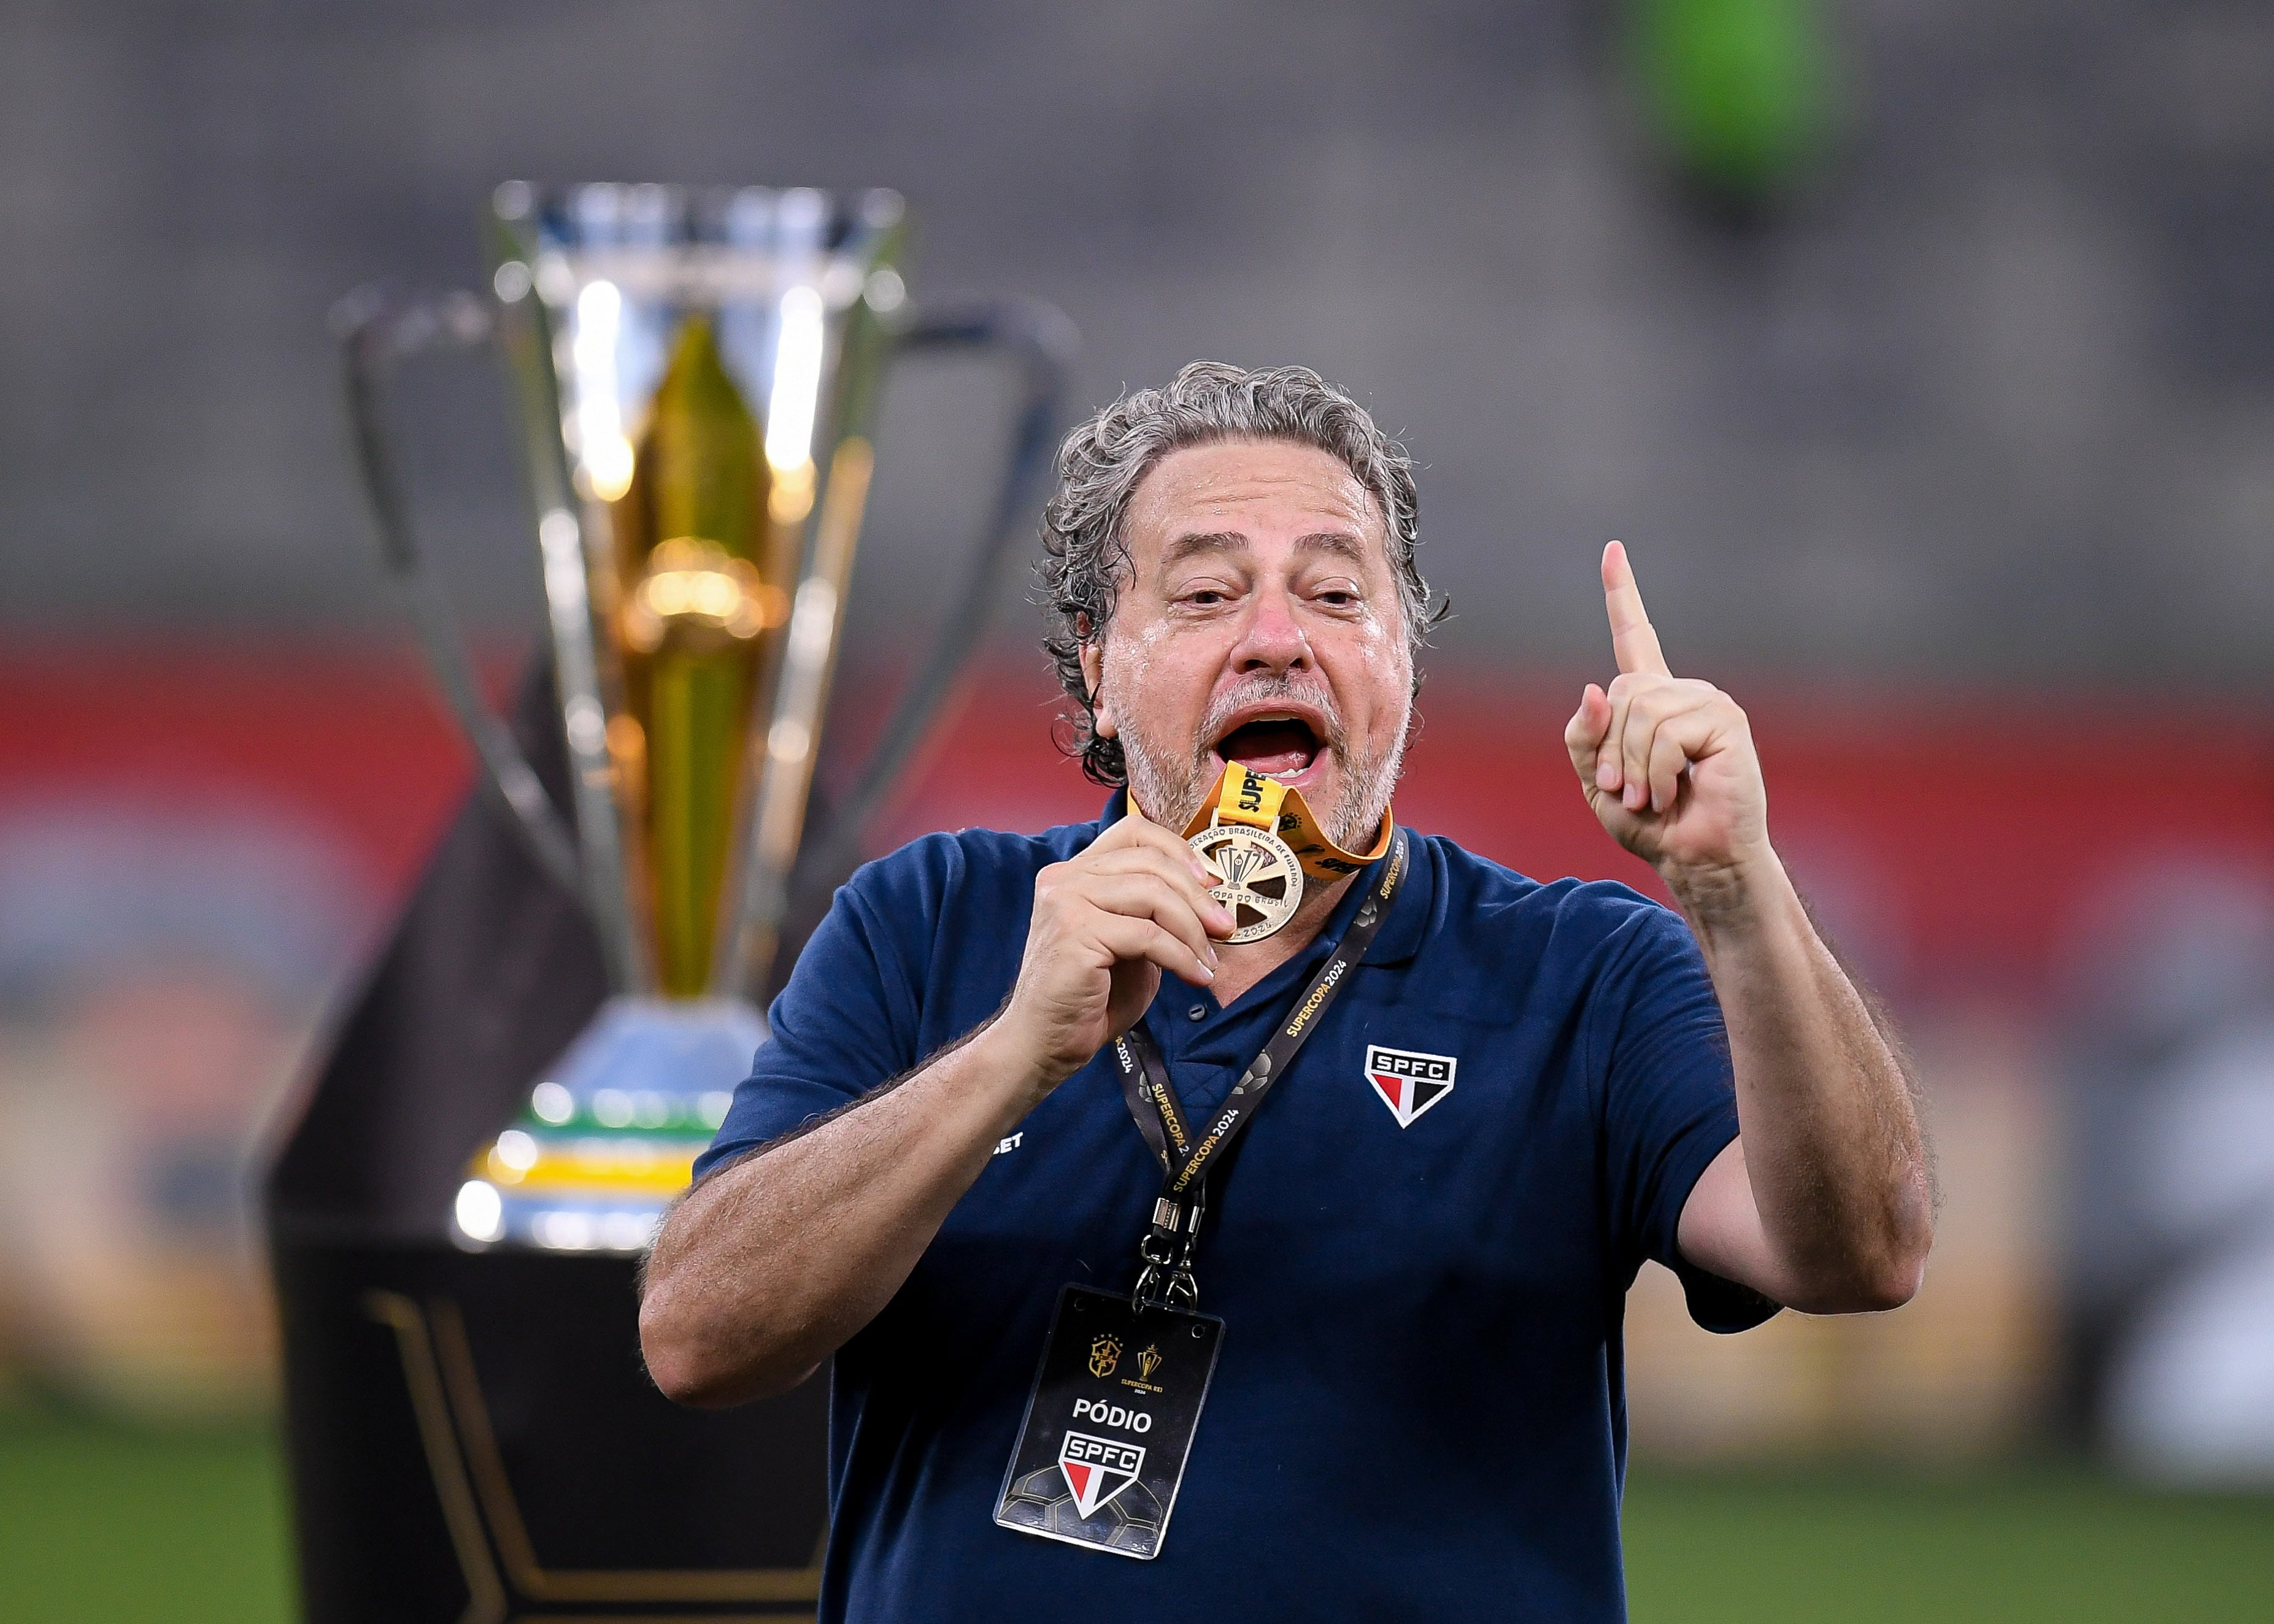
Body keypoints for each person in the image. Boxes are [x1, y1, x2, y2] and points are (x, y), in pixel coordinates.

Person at [639, 362, 1932, 1621]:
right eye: (1205, 594)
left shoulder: (1580, 972)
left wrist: (1734, 890)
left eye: (1334, 593)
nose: (1276, 638)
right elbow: (696, 1336)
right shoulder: (927, 923)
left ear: (1401, 661)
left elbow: (1861, 1251)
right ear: (1096, 663)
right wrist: (1005, 1062)